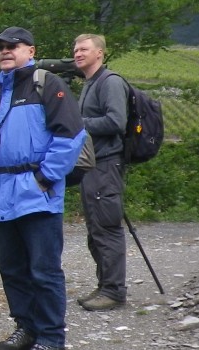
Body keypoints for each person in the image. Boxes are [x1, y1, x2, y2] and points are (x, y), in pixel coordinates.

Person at [0, 27, 85, 350]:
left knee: (44, 270)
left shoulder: (47, 84)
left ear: (31, 50)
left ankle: (51, 337)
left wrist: (45, 178)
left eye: (13, 45)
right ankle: (26, 328)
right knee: (12, 269)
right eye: (0, 47)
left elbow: (71, 135)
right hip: (2, 193)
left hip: (38, 194)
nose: (5, 51)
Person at [72, 33, 130, 312]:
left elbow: (116, 121)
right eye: (75, 49)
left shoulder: (111, 82)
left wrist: (78, 123)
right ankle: (105, 285)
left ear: (100, 53)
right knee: (96, 228)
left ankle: (114, 291)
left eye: (84, 49)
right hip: (92, 166)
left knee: (107, 227)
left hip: (106, 164)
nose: (77, 53)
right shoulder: (90, 84)